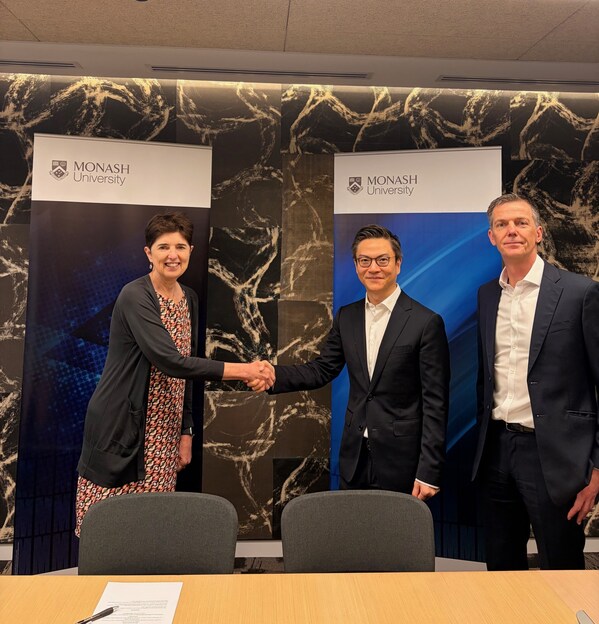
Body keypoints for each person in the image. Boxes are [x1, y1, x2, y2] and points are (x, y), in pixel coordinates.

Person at [75, 212, 274, 535]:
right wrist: (245, 370)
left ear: (191, 251)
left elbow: (187, 372)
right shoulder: (135, 295)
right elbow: (171, 361)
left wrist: (186, 431)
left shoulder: (189, 298)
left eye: (180, 247)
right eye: (163, 247)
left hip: (164, 429)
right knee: (109, 530)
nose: (173, 255)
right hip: (121, 424)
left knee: (152, 527)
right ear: (148, 253)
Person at [253, 224, 450, 498]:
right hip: (354, 458)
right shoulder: (347, 316)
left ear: (398, 264)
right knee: (353, 526)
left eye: (382, 260)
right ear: (356, 266)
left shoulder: (425, 322)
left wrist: (429, 471)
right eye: (364, 260)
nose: (373, 268)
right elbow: (322, 369)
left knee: (397, 528)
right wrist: (273, 375)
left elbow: (436, 404)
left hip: (402, 462)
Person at [472, 193, 599, 570]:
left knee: (561, 571)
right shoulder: (487, 295)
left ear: (539, 232)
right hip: (496, 451)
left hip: (556, 458)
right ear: (492, 237)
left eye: (521, 223)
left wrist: (596, 469)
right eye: (502, 224)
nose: (511, 230)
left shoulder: (580, 293)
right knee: (501, 570)